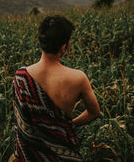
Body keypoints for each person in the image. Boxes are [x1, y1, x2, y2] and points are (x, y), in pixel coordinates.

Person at [13, 15, 100, 161]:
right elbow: (94, 112)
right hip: (64, 156)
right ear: (64, 46)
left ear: (41, 41)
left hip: (30, 156)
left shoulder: (21, 77)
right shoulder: (78, 78)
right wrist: (68, 125)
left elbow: (21, 122)